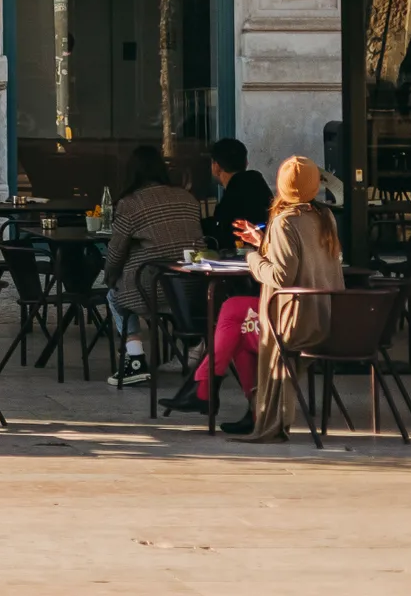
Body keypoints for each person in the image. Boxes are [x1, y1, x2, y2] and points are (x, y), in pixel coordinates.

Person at [195, 156, 345, 440]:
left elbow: (280, 277)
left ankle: (207, 389)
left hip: (296, 325)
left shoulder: (284, 221)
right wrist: (262, 242)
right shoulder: (325, 218)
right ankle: (222, 395)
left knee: (234, 320)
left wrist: (252, 257)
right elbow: (299, 258)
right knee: (237, 320)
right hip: (326, 318)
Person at [101, 144, 204, 389]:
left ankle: (135, 359)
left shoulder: (131, 203)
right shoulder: (186, 197)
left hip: (150, 287)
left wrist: (109, 276)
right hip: (192, 287)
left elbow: (116, 250)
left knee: (114, 295)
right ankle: (193, 348)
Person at [205, 138, 270, 254]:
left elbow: (224, 239)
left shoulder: (231, 200)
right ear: (246, 163)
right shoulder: (259, 188)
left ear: (216, 166)